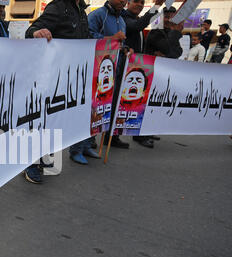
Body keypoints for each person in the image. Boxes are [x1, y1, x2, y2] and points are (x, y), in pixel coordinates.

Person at [22, 0, 95, 183]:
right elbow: (32, 30)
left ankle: (44, 158)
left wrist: (108, 43)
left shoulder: (81, 11)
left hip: (69, 79)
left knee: (55, 121)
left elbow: (86, 39)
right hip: (52, 78)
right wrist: (36, 32)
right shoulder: (58, 7)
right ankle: (31, 165)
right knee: (44, 121)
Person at [88, 0, 131, 149]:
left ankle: (109, 137)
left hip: (116, 69)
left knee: (111, 104)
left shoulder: (122, 20)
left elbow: (119, 44)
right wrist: (110, 39)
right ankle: (87, 142)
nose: (123, 2)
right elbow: (87, 37)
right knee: (95, 105)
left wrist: (126, 49)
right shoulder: (98, 15)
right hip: (98, 69)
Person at [122, 0, 163, 148]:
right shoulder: (124, 17)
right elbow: (137, 27)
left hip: (136, 67)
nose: (139, 5)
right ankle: (111, 138)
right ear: (128, 3)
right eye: (136, 2)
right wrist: (156, 7)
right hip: (125, 68)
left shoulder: (136, 20)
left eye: (142, 2)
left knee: (136, 102)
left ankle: (137, 133)